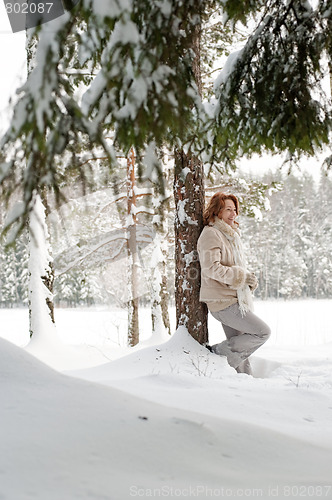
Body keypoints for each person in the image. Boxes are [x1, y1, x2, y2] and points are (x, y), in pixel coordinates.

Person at [197, 192, 271, 375]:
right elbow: (211, 268)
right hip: (222, 302)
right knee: (262, 332)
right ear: (217, 211)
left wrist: (246, 280)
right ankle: (216, 355)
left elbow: (233, 266)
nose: (233, 214)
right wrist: (241, 276)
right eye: (228, 209)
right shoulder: (211, 234)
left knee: (240, 351)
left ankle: (244, 382)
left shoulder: (229, 236)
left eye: (235, 210)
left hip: (233, 298)